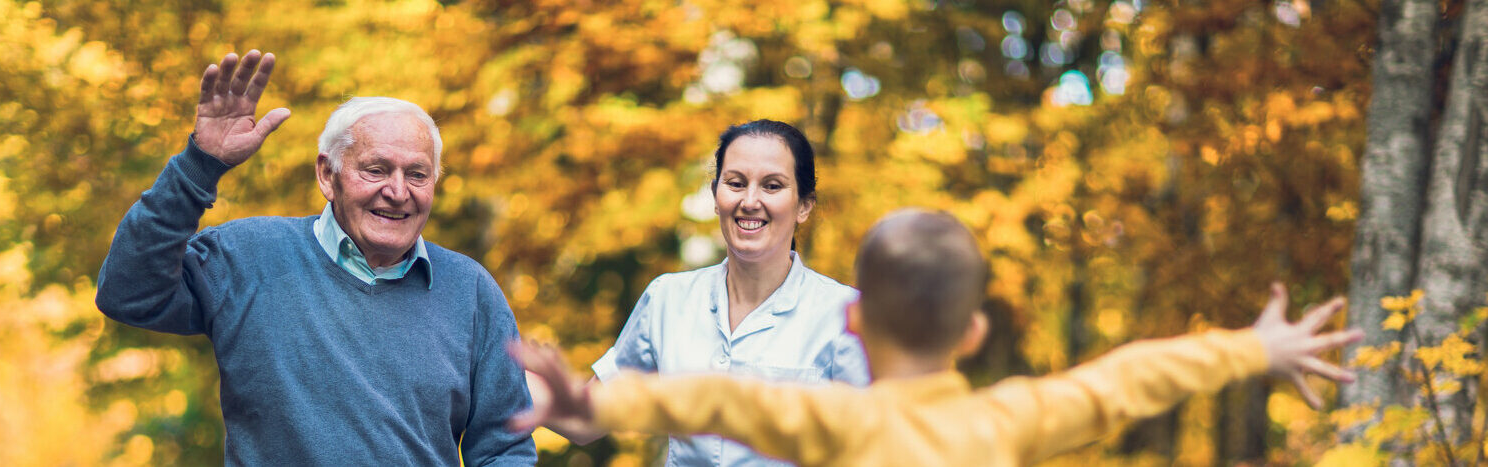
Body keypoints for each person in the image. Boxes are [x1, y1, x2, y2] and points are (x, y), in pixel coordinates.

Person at [512, 209, 1363, 466]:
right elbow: (1127, 378)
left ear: (851, 319)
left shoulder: (837, 425)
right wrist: (1254, 347)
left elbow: (715, 396)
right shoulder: (1010, 420)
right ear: (976, 330)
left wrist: (594, 398)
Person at [95, 50, 535, 465]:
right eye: (376, 169)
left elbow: (505, 446)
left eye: (417, 174)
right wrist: (198, 167)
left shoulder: (470, 290)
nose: (398, 192)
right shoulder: (246, 257)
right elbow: (128, 294)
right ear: (328, 175)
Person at [548, 120, 868, 465]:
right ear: (716, 195)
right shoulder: (668, 299)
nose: (749, 200)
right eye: (735, 183)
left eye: (772, 186)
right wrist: (497, 373)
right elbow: (586, 419)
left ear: (804, 205)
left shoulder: (845, 314)